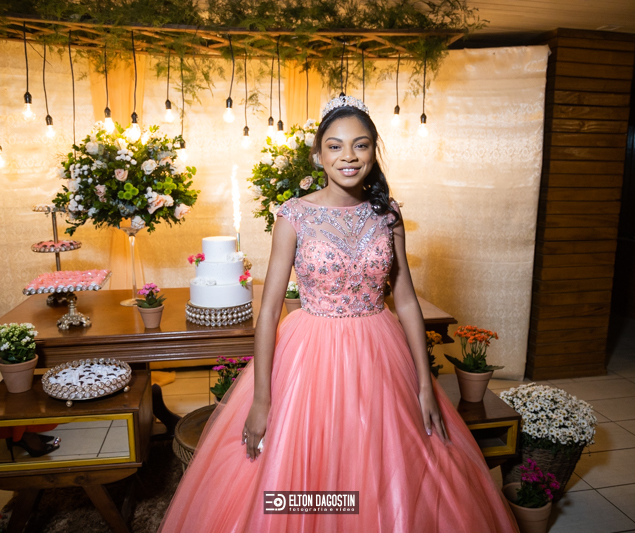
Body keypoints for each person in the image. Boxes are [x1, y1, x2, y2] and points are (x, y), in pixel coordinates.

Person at [158, 95, 519, 532]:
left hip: (380, 354)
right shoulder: (294, 215)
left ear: (373, 152)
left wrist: (425, 385)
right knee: (306, 466)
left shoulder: (388, 214)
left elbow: (405, 300)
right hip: (309, 355)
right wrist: (262, 399)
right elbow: (269, 311)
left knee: (385, 465)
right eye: (335, 146)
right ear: (318, 155)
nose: (348, 156)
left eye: (360, 145)